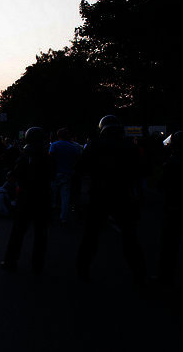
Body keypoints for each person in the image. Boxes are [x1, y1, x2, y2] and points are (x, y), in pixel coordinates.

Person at [75, 115, 147, 286]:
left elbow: (80, 170)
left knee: (90, 236)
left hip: (100, 195)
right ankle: (139, 274)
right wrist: (138, 199)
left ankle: (82, 269)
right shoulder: (130, 148)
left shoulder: (94, 145)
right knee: (130, 238)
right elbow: (139, 174)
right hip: (122, 195)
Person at [0, 127, 56, 274]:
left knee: (18, 232)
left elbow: (13, 176)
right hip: (43, 198)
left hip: (25, 198)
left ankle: (10, 261)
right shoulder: (49, 160)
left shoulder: (24, 160)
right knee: (41, 233)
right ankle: (38, 266)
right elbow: (53, 177)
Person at [152, 132, 183, 286]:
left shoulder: (171, 165)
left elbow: (161, 187)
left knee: (169, 246)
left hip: (174, 209)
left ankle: (165, 276)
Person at [49, 128, 80, 223]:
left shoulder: (54, 145)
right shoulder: (72, 147)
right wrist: (72, 167)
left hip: (56, 173)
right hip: (67, 173)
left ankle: (50, 216)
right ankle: (64, 217)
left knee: (52, 196)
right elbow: (78, 159)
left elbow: (50, 157)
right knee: (65, 197)